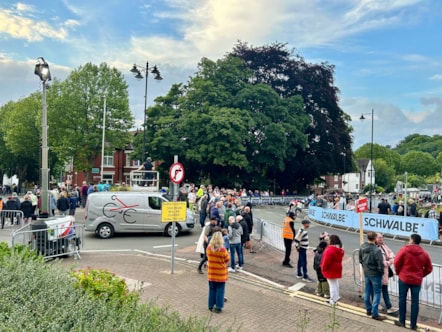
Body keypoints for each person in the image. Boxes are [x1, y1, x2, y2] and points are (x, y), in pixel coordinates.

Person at [394, 234, 433, 330]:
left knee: (402, 299)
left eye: (409, 239)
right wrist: (421, 274)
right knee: (415, 302)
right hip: (416, 280)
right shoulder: (424, 253)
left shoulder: (404, 250)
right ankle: (413, 325)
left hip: (404, 278)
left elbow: (396, 262)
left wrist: (399, 272)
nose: (408, 241)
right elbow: (429, 268)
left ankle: (402, 321)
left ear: (412, 241)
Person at [359, 231, 386, 321]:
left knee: (367, 290)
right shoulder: (376, 250)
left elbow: (360, 259)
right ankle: (375, 313)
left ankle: (368, 309)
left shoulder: (362, 247)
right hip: (375, 274)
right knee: (377, 292)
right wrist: (381, 272)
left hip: (367, 271)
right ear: (375, 239)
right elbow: (380, 263)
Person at [206, 231, 230, 313]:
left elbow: (207, 257)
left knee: (212, 289)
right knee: (220, 290)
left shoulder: (209, 248)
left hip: (211, 272)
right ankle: (218, 307)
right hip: (220, 273)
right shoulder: (222, 249)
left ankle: (210, 305)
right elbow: (227, 259)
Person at [375, 233, 398, 314]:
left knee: (383, 289)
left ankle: (388, 306)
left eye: (382, 238)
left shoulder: (384, 245)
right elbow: (379, 262)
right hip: (378, 272)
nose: (381, 239)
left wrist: (391, 258)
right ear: (375, 238)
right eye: (379, 238)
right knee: (377, 289)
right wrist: (389, 262)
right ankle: (381, 305)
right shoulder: (375, 248)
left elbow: (391, 252)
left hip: (385, 272)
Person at [321, 234, 344, 305]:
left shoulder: (329, 250)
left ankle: (333, 300)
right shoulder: (340, 249)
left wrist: (323, 267)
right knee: (335, 283)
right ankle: (336, 297)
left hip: (330, 269)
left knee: (332, 285)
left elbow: (326, 261)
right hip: (337, 268)